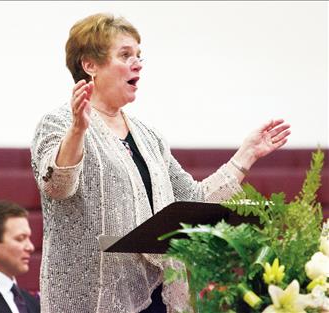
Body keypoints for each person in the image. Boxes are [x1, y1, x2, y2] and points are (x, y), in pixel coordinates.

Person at [30, 12, 291, 313]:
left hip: (159, 294)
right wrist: (77, 130)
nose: (137, 63)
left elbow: (193, 200)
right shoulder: (57, 123)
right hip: (95, 298)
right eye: (125, 55)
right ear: (90, 65)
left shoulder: (148, 135)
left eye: (139, 55)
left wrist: (247, 154)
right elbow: (57, 186)